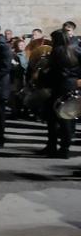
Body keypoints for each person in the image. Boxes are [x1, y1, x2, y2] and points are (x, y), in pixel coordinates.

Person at [39, 29, 81, 158]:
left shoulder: (57, 51)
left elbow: (52, 71)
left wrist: (43, 74)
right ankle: (64, 148)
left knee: (52, 118)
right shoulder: (76, 50)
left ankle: (52, 145)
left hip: (58, 87)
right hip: (72, 86)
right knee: (67, 117)